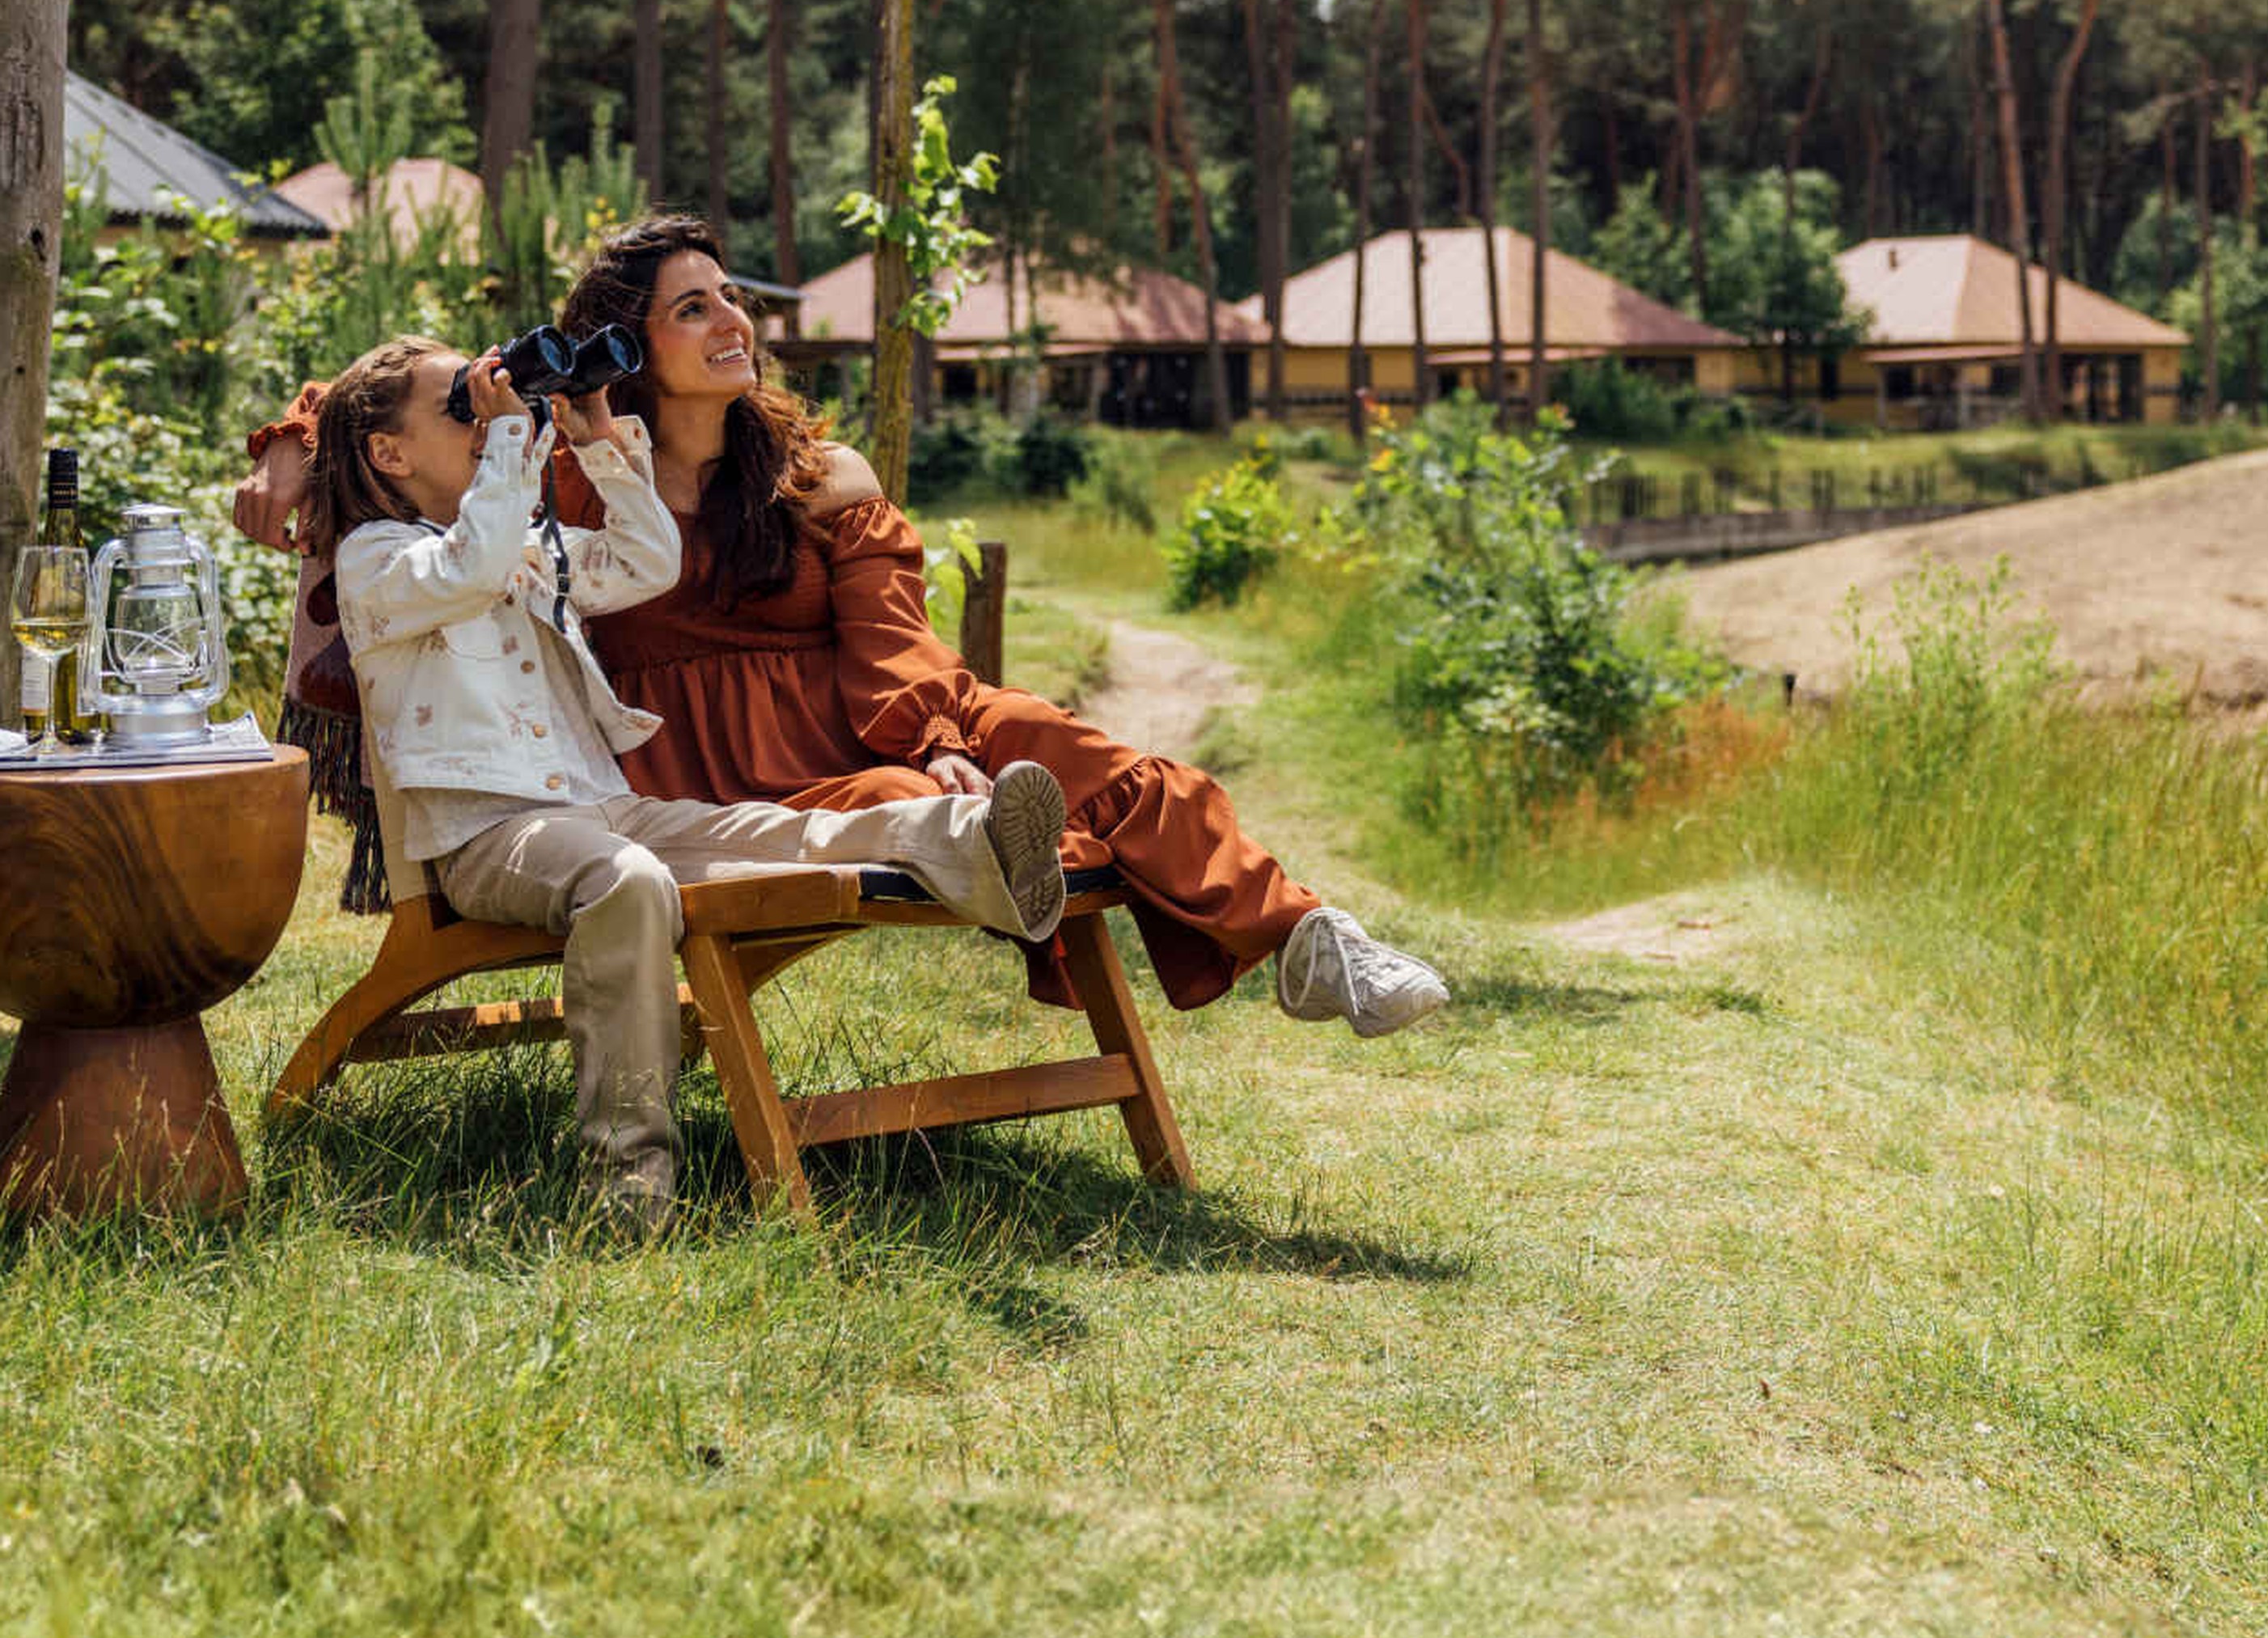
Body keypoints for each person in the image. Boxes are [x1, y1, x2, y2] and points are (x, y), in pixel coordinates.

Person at [241, 212, 1444, 1041]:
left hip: (867, 711)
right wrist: (299, 449)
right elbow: (413, 393)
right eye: (692, 309)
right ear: (629, 346)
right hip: (698, 764)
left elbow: (891, 632)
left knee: (1085, 755)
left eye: (732, 300)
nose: (732, 324)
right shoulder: (573, 470)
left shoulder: (819, 471)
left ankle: (1306, 938)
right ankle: (987, 832)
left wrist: (931, 735)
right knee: (888, 819)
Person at [306, 331, 1071, 1234]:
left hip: (597, 809)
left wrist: (596, 436)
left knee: (777, 834)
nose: (488, 416)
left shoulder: (513, 543)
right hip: (487, 838)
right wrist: (513, 439)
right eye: (461, 406)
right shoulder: (378, 561)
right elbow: (467, 567)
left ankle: (979, 850)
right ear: (388, 454)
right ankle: (628, 1185)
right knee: (623, 881)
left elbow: (643, 565)